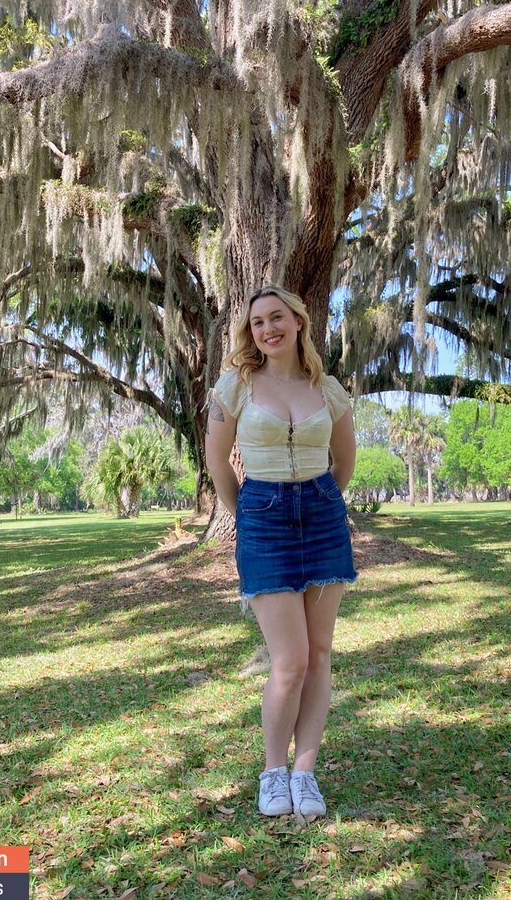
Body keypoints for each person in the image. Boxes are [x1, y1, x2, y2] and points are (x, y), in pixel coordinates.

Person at [204, 285, 357, 818]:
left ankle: (305, 774)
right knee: (289, 661)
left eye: (277, 318)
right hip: (263, 519)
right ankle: (273, 772)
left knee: (319, 655)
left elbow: (344, 462)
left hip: (323, 517)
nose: (267, 329)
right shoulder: (236, 385)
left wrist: (319, 505)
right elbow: (218, 463)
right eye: (258, 323)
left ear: (298, 322)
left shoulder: (328, 389)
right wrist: (248, 513)